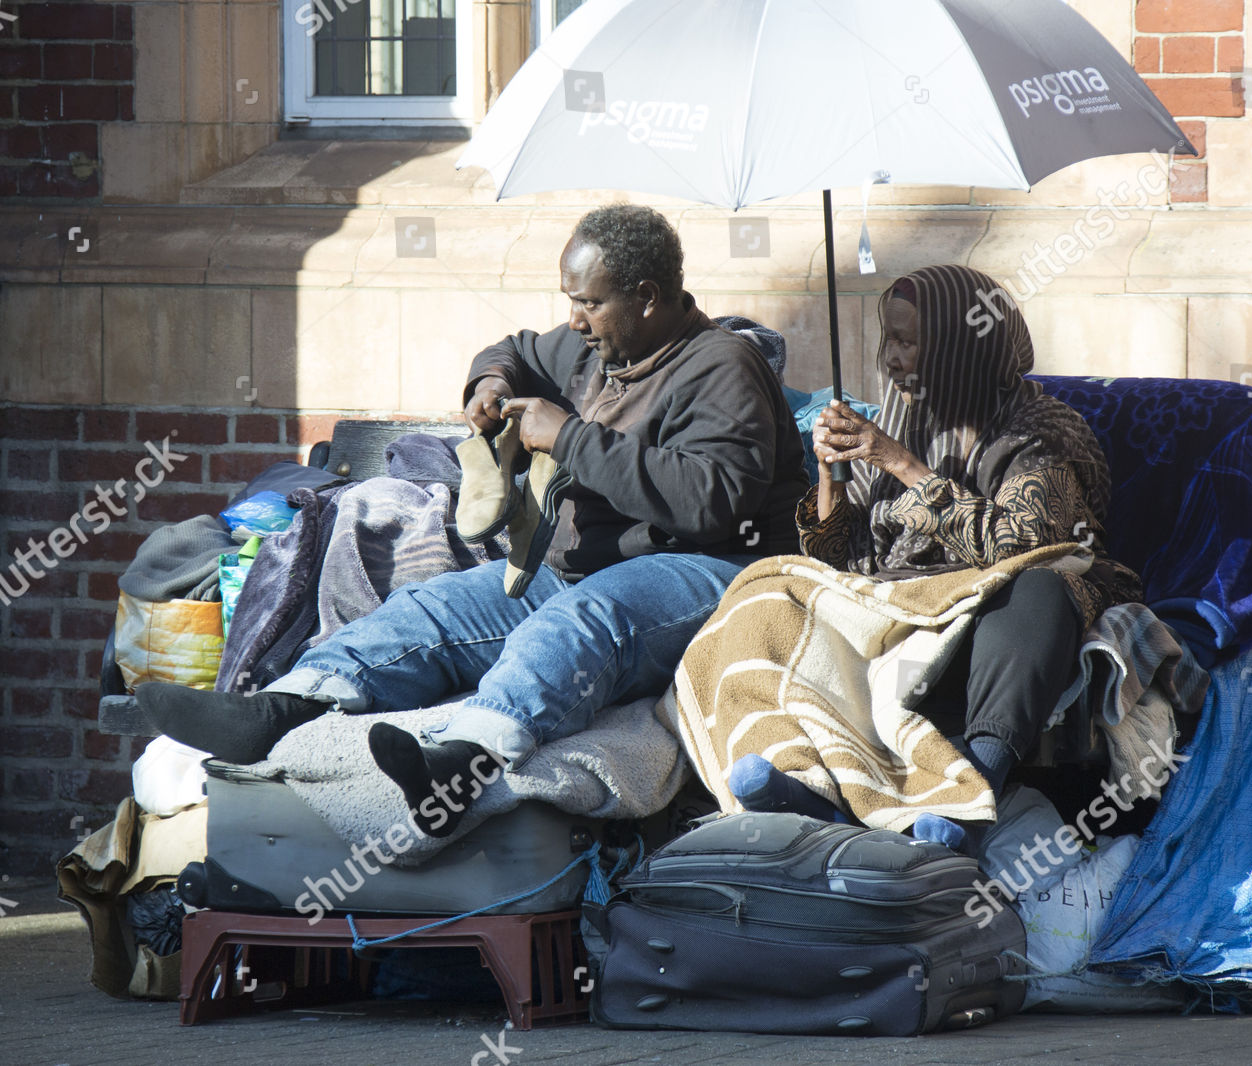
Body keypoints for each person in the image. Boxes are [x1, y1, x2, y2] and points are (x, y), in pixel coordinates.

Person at [138, 204, 809, 837]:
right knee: (434, 608)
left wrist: (569, 437)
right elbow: (515, 348)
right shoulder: (594, 347)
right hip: (587, 569)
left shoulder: (723, 367)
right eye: (570, 299)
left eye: (588, 301)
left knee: (583, 622)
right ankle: (286, 706)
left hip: (715, 575)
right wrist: (489, 383)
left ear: (647, 295)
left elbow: (712, 499)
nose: (573, 318)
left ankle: (462, 763)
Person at [727, 264, 1140, 851]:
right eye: (887, 340)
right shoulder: (900, 418)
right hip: (896, 609)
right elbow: (841, 556)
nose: (891, 359)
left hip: (985, 615)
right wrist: (830, 477)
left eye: (909, 341)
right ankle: (812, 790)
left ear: (962, 347)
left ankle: (970, 800)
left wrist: (899, 463)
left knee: (1037, 590)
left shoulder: (1042, 431)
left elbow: (1026, 546)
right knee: (767, 589)